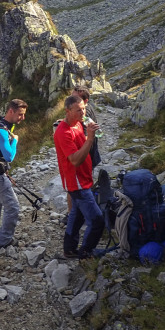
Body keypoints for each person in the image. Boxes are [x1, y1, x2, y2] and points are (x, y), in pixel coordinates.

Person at [54, 94, 105, 258]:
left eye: (83, 108)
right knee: (97, 221)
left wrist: (89, 135)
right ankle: (86, 252)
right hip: (77, 182)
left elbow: (81, 148)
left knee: (77, 216)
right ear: (67, 111)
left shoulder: (78, 124)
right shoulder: (63, 132)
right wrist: (89, 139)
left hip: (83, 178)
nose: (83, 113)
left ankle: (69, 249)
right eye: (78, 110)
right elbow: (75, 160)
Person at [0, 98, 28, 249]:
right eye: (20, 114)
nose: (23, 118)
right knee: (13, 207)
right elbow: (9, 156)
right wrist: (15, 141)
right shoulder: (1, 131)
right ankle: (3, 241)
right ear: (10, 111)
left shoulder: (1, 123)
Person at [63, 86, 101, 221]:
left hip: (85, 155)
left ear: (85, 101)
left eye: (76, 97)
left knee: (78, 187)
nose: (71, 98)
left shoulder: (84, 115)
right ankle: (76, 214)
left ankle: (73, 214)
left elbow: (86, 137)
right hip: (87, 154)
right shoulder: (82, 114)